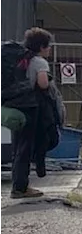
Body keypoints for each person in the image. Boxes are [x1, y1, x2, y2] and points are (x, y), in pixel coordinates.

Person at [6, 28, 53, 198]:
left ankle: (17, 184)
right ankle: (20, 187)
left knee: (17, 147)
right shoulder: (39, 62)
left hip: (14, 106)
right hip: (29, 108)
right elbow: (42, 84)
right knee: (25, 147)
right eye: (48, 46)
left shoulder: (21, 58)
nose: (49, 49)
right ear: (41, 46)